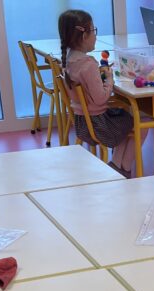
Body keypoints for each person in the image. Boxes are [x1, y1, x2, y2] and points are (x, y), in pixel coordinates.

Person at [59, 9, 137, 175]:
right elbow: (101, 99)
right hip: (99, 125)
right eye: (94, 30)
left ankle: (117, 167)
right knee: (140, 125)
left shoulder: (68, 60)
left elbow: (87, 85)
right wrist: (109, 79)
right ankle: (124, 168)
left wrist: (99, 76)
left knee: (128, 121)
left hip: (82, 122)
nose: (95, 36)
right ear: (84, 35)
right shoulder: (89, 64)